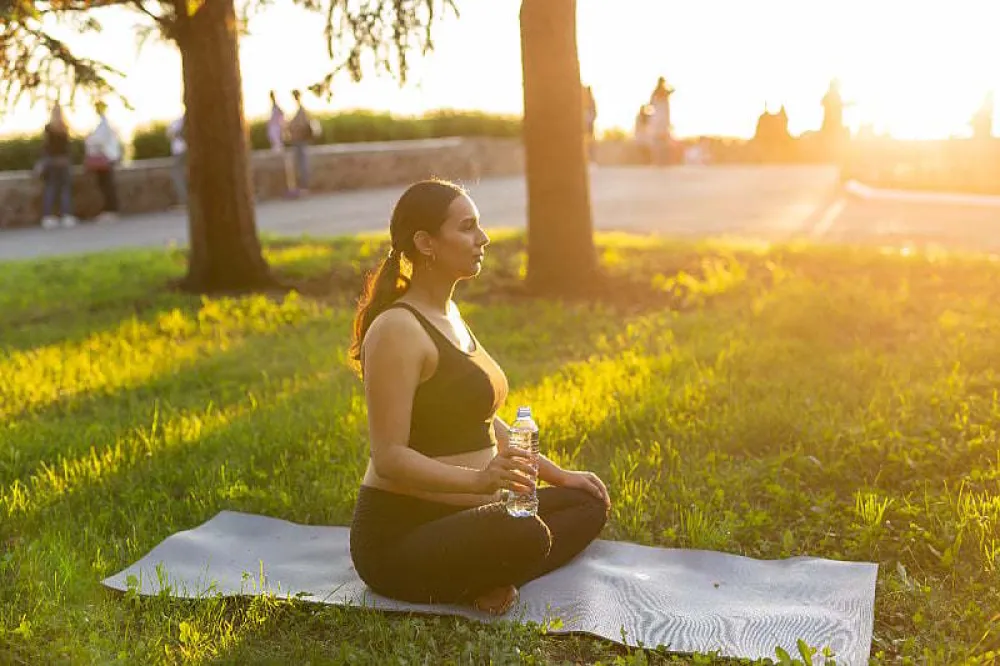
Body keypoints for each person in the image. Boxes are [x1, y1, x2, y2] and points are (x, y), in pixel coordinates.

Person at [348, 180, 611, 615]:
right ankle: (481, 573)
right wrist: (482, 481)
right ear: (426, 243)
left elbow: (485, 421)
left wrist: (558, 475)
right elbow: (389, 456)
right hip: (402, 536)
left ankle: (488, 572)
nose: (483, 238)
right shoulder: (398, 329)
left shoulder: (448, 313)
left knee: (587, 501)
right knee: (528, 535)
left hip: (475, 518)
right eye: (468, 227)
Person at [39, 103, 78, 229]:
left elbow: (46, 147)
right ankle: (65, 215)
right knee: (63, 189)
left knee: (52, 189)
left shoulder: (50, 128)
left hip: (53, 161)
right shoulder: (63, 128)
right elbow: (67, 147)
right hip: (62, 162)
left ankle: (49, 216)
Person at [83, 101, 122, 223]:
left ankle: (111, 210)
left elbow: (98, 141)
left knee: (107, 186)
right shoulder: (103, 124)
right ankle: (110, 209)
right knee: (105, 185)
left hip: (106, 158)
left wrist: (89, 139)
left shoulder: (104, 124)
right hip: (108, 158)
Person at [286, 89, 316, 195]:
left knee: (302, 164)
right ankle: (302, 186)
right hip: (298, 141)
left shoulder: (301, 111)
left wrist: (292, 128)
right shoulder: (300, 110)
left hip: (301, 141)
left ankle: (304, 186)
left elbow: (301, 124)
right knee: (300, 164)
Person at [648, 76, 675, 165]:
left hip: (660, 118)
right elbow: (673, 89)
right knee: (660, 140)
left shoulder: (659, 93)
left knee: (662, 141)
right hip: (660, 119)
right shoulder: (660, 93)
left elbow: (650, 104)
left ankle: (662, 160)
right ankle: (659, 160)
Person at [166, 113, 188, 208]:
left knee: (179, 176)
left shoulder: (178, 123)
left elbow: (170, 135)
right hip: (182, 151)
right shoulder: (177, 122)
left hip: (180, 152)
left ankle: (184, 201)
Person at [582, 85, 598, 163]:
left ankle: (591, 159)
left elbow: (595, 113)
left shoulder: (591, 102)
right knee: (585, 140)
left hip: (589, 123)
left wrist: (590, 118)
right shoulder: (583, 101)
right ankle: (587, 158)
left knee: (590, 141)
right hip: (584, 124)